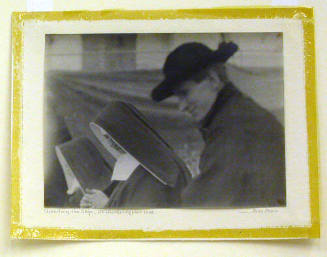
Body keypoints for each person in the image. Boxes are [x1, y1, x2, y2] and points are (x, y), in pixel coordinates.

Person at [151, 41, 286, 208]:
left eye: (185, 93)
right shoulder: (235, 114)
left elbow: (205, 205)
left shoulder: (236, 127)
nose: (182, 106)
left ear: (213, 80)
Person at [80, 101, 191, 208]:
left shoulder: (155, 172)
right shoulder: (139, 165)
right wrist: (97, 200)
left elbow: (143, 220)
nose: (111, 144)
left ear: (126, 131)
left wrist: (105, 205)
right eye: (106, 137)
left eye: (112, 136)